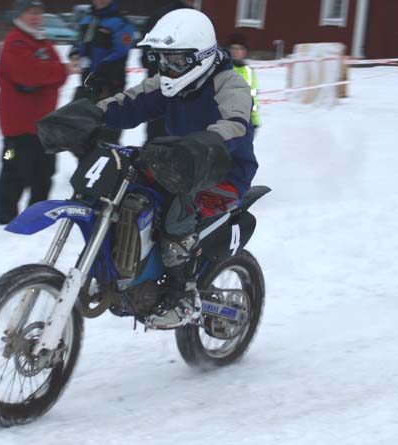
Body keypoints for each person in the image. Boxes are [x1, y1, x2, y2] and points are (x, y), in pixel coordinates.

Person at [38, 9, 257, 329]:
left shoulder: (229, 84)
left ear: (203, 57)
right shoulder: (167, 83)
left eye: (177, 61)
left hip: (221, 170)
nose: (168, 68)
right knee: (126, 196)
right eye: (162, 59)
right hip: (175, 162)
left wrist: (206, 141)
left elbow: (235, 125)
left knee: (177, 214)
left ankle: (181, 296)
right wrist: (90, 117)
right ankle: (123, 269)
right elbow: (129, 103)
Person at [0, 0, 80, 225]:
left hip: (43, 125)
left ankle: (36, 218)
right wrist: (57, 72)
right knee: (13, 170)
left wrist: (51, 75)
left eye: (38, 13)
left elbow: (51, 76)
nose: (35, 17)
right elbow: (27, 75)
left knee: (44, 173)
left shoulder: (42, 41)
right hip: (17, 127)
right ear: (20, 15)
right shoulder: (16, 41)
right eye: (30, 13)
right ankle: (5, 218)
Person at [69, 0, 135, 143]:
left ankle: (111, 162)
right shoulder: (87, 18)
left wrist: (102, 73)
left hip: (110, 87)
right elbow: (80, 42)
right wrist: (75, 52)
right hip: (87, 85)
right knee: (82, 136)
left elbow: (121, 53)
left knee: (107, 137)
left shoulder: (121, 23)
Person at [140, 0, 195, 140]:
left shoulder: (197, 18)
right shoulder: (162, 16)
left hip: (189, 88)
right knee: (157, 135)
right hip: (162, 87)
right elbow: (147, 55)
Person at [228, 32, 261, 130]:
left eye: (240, 48)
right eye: (233, 48)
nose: (236, 51)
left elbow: (253, 97)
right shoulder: (223, 69)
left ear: (245, 51)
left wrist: (255, 120)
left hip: (245, 121)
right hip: (224, 120)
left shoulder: (250, 72)